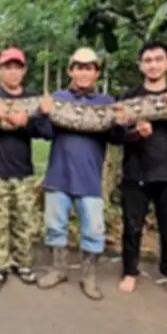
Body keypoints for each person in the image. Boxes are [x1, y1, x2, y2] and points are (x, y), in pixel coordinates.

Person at [36, 47, 125, 300]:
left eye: (89, 68)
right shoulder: (58, 98)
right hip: (58, 175)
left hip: (89, 178)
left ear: (96, 73)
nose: (84, 73)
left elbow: (117, 139)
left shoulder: (107, 103)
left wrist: (120, 123)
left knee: (94, 231)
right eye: (79, 68)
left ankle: (89, 276)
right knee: (55, 227)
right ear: (71, 71)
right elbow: (45, 134)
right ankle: (58, 269)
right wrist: (44, 113)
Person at [116, 42, 167, 304]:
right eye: (148, 60)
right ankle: (130, 272)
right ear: (140, 66)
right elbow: (118, 136)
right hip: (135, 172)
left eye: (158, 59)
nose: (153, 65)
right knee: (132, 227)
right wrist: (136, 133)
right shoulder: (129, 97)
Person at [0, 48, 52, 292]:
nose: (12, 72)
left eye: (17, 67)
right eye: (7, 67)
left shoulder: (33, 98)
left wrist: (26, 123)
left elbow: (46, 132)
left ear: (24, 70)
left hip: (23, 171)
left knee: (25, 222)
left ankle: (24, 264)